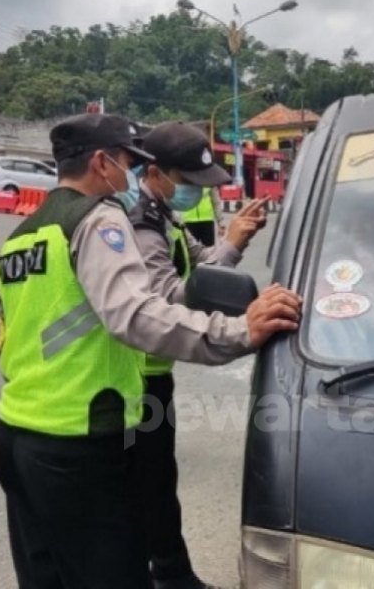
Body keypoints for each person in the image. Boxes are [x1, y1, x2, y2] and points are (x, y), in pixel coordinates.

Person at [0, 113, 301, 589]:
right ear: (102, 162)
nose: (133, 175)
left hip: (16, 436)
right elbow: (136, 314)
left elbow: (9, 338)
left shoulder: (22, 237)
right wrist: (241, 331)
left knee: (46, 578)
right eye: (129, 163)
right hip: (79, 440)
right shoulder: (97, 220)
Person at [126, 121, 268, 589]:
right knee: (146, 483)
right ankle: (166, 573)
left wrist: (237, 239)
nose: (193, 192)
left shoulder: (164, 214)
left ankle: (169, 569)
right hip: (134, 376)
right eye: (188, 182)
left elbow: (201, 265)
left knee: (158, 481)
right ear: (157, 172)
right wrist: (238, 330)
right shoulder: (139, 223)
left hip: (153, 372)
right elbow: (168, 297)